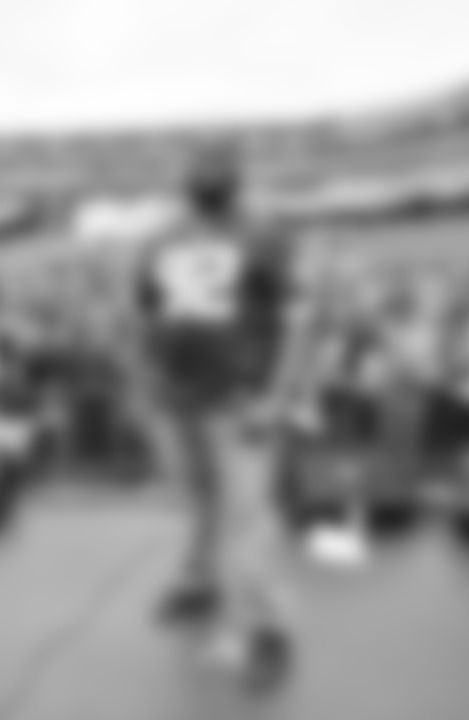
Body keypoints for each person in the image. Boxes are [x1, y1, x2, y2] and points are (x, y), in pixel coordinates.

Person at [124, 145, 303, 690]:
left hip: (240, 398)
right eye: (200, 169)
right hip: (178, 397)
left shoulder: (263, 234)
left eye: (218, 169)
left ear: (235, 179)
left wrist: (276, 396)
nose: (208, 177)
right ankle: (198, 584)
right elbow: (145, 317)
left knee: (249, 516)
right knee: (200, 499)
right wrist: (144, 384)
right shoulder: (158, 239)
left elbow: (296, 320)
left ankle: (269, 629)